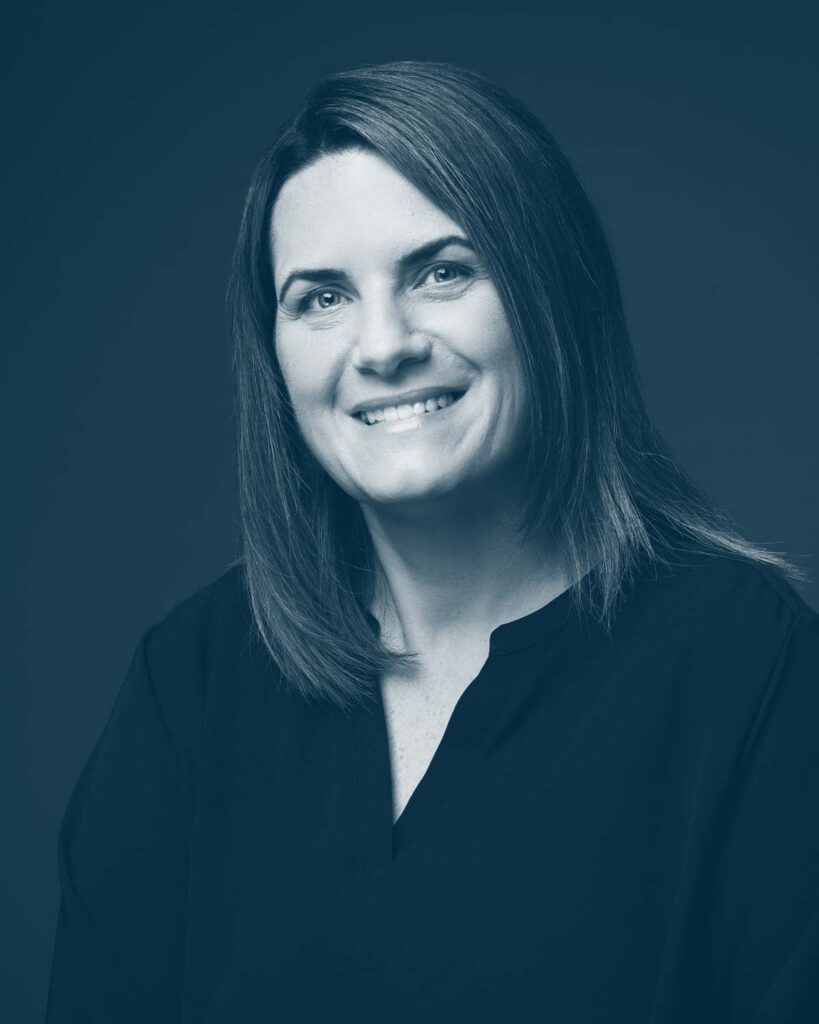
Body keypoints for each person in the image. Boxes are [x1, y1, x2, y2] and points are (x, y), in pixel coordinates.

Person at [45, 60, 819, 1022]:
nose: (383, 346)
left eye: (442, 273)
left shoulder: (745, 662)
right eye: (320, 298)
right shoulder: (192, 680)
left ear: (549, 294)